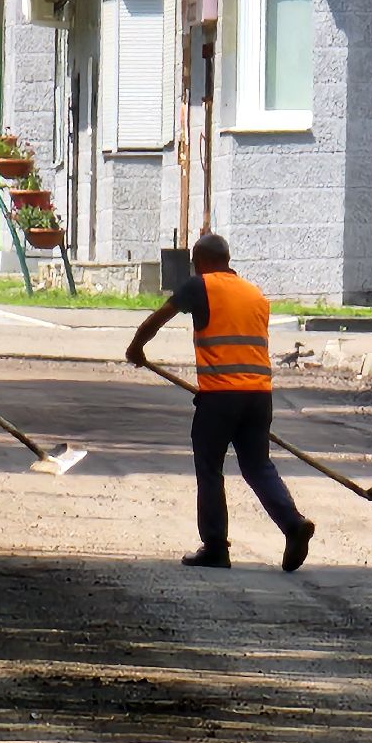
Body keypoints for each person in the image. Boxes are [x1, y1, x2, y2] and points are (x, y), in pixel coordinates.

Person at [125, 233, 316, 572]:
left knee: (210, 469)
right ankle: (292, 523)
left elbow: (159, 317)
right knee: (258, 466)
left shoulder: (201, 286)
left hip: (220, 399)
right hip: (259, 396)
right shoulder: (254, 293)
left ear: (199, 260)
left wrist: (136, 347)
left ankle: (215, 547)